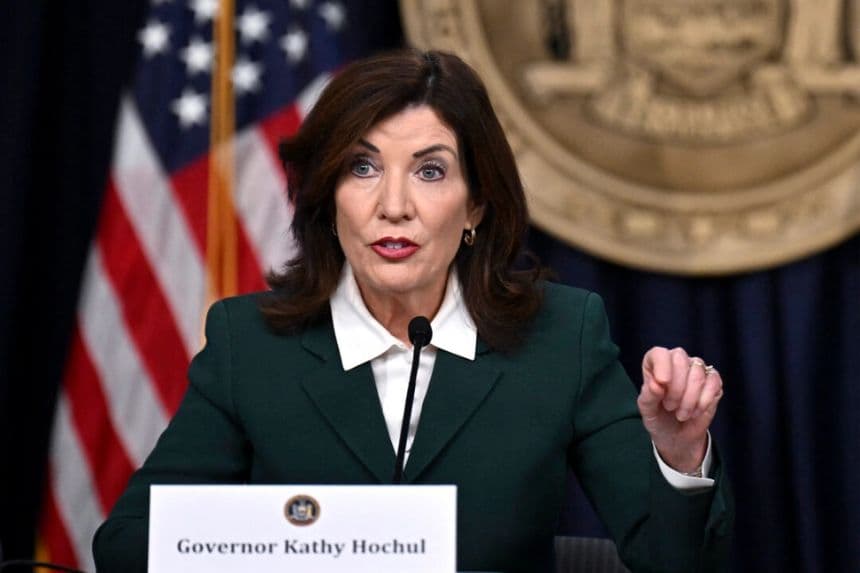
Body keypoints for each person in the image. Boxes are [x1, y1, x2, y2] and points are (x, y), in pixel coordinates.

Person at [93, 49, 733, 572]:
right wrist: (297, 542)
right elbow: (127, 547)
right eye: (362, 167)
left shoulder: (561, 338)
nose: (392, 204)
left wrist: (679, 458)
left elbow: (678, 564)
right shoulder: (250, 344)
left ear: (476, 206)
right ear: (328, 197)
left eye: (430, 172)